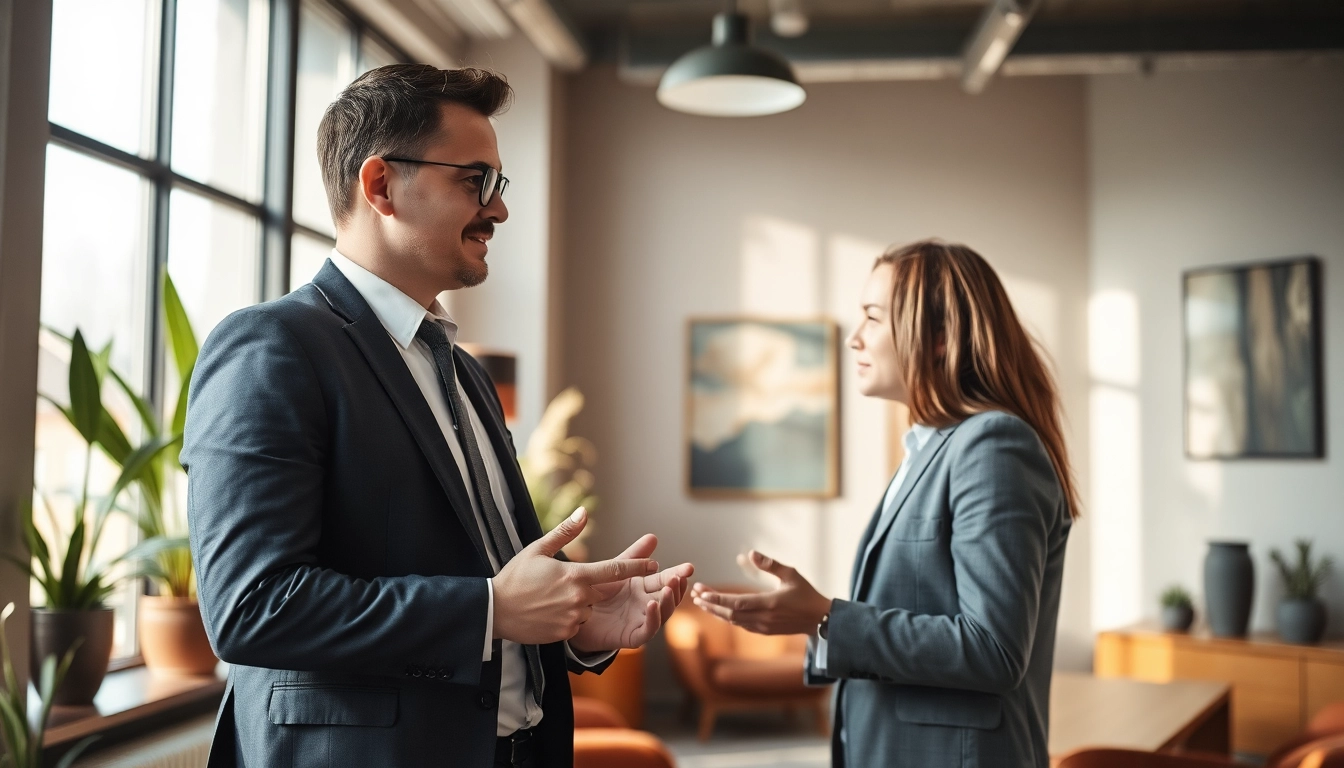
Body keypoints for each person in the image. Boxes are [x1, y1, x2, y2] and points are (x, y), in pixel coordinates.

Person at [182, 64, 693, 768]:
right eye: (473, 181)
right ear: (380, 185)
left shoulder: (464, 371)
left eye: (498, 185)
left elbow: (487, 561)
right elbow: (252, 605)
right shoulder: (273, 347)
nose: (499, 209)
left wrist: (581, 622)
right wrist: (487, 610)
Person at [692, 240, 1078, 768]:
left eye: (873, 317)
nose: (854, 338)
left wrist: (829, 616)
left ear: (939, 338)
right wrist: (811, 622)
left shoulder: (993, 446)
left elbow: (994, 648)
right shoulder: (928, 449)